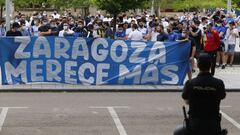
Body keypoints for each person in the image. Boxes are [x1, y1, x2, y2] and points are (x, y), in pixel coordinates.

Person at [174, 53, 226, 135]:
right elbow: (222, 96)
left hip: (194, 126)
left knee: (177, 131)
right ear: (210, 65)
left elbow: (186, 100)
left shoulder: (190, 83)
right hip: (213, 125)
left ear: (197, 65)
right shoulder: (218, 83)